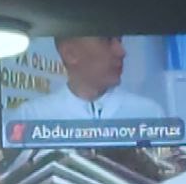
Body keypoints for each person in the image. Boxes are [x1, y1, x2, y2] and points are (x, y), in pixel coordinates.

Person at [10, 36, 167, 121]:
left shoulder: (149, 113)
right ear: (70, 54)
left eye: (119, 40)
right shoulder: (32, 115)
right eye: (107, 40)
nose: (121, 52)